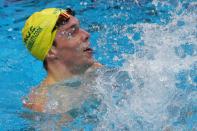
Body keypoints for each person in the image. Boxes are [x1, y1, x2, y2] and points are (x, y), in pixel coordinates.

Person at [22, 8, 101, 113]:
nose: (86, 35)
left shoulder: (95, 70)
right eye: (73, 32)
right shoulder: (43, 105)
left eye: (80, 28)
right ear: (51, 51)